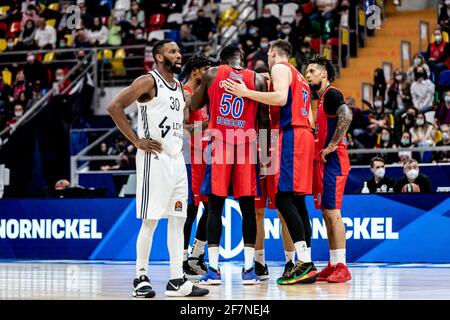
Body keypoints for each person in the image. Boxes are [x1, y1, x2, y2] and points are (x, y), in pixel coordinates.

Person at [107, 39, 208, 298]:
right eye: (172, 51)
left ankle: (177, 280)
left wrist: (202, 127)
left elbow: (177, 125)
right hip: (155, 159)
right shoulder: (148, 81)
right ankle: (140, 277)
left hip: (176, 161)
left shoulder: (177, 88)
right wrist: (136, 141)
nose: (178, 54)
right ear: (159, 57)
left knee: (178, 220)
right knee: (151, 221)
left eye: (178, 50)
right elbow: (114, 107)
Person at [223, 39, 318, 285]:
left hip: (292, 136)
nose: (268, 57)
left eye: (268, 53)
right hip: (303, 135)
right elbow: (309, 116)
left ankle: (304, 263)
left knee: (283, 198)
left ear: (274, 53)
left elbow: (280, 98)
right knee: (297, 202)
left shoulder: (280, 67)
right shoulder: (300, 76)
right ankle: (305, 261)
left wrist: (245, 92)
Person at [191, 45, 270, 285]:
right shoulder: (256, 79)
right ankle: (248, 270)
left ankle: (213, 270)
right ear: (242, 59)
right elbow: (264, 122)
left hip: (220, 146)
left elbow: (193, 106)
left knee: (214, 207)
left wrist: (204, 88)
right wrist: (266, 159)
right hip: (247, 147)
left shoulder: (213, 74)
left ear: (221, 60)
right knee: (247, 208)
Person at [306, 55, 352, 283]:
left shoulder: (332, 94)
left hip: (334, 163)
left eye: (312, 71)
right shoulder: (322, 99)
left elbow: (347, 115)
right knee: (326, 213)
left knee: (333, 213)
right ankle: (333, 263)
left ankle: (342, 265)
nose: (308, 75)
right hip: (324, 165)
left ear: (324, 73)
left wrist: (332, 145)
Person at [252, 66, 296, 281]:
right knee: (257, 213)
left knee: (284, 212)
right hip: (257, 157)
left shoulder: (282, 97)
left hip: (279, 156)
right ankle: (259, 262)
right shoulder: (253, 100)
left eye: (268, 79)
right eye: (262, 79)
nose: (266, 82)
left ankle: (290, 261)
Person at [179, 55, 212, 280]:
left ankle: (196, 253)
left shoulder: (205, 94)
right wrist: (215, 121)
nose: (209, 74)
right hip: (188, 158)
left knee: (210, 206)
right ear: (195, 72)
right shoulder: (183, 93)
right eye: (206, 70)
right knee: (189, 211)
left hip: (205, 156)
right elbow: (183, 128)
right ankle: (182, 260)